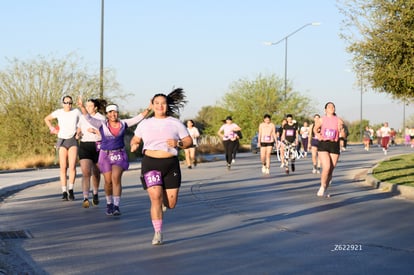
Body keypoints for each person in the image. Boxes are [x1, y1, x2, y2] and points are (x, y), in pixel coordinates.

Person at [130, 88, 192, 246]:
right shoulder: (145, 123)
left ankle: (164, 204)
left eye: (163, 103)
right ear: (152, 105)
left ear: (167, 105)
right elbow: (135, 139)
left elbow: (189, 141)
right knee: (155, 197)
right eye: (156, 103)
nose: (160, 106)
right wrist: (134, 144)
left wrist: (178, 143)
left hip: (170, 165)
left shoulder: (175, 123)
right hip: (151, 162)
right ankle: (157, 233)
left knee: (171, 204)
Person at [78, 98, 151, 216]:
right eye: (110, 112)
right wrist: (82, 107)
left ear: (118, 113)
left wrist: (149, 108)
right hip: (105, 155)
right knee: (108, 182)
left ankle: (116, 206)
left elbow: (138, 118)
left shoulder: (123, 123)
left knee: (116, 178)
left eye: (115, 112)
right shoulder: (101, 124)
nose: (113, 114)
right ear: (107, 114)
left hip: (119, 154)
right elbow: (88, 118)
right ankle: (109, 203)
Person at [44, 95, 81, 201]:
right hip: (62, 140)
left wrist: (78, 132)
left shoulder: (76, 112)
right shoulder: (59, 112)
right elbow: (46, 119)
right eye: (66, 102)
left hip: (72, 140)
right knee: (63, 167)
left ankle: (71, 189)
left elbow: (82, 122)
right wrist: (52, 128)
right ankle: (64, 191)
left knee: (72, 166)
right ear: (62, 103)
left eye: (70, 103)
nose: (68, 105)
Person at [76, 98, 106, 208]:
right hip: (85, 145)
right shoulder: (82, 116)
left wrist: (94, 131)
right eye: (86, 106)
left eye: (90, 106)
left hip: (97, 145)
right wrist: (78, 134)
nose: (88, 108)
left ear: (95, 107)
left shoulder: (101, 118)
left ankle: (95, 193)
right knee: (86, 172)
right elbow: (79, 128)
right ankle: (85, 198)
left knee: (96, 172)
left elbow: (105, 134)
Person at [313, 102, 346, 197]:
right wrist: (318, 135)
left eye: (333, 107)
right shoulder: (321, 120)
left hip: (334, 144)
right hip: (324, 144)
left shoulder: (339, 120)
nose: (331, 108)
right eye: (329, 107)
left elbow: (343, 135)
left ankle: (326, 188)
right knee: (326, 167)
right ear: (325, 110)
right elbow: (315, 129)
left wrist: (342, 131)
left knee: (331, 169)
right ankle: (322, 186)